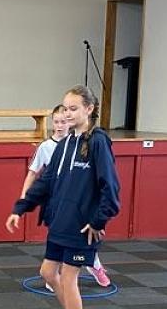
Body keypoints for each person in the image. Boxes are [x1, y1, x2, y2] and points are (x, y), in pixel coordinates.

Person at [6, 85, 120, 309]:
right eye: (65, 108)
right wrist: (21, 207)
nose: (68, 113)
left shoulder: (98, 142)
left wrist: (98, 221)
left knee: (69, 279)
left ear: (89, 109)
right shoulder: (65, 143)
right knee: (48, 273)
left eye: (73, 108)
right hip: (60, 224)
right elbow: (46, 182)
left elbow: (110, 187)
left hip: (82, 228)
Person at [20, 104, 111, 288]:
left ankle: (93, 265)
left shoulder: (84, 143)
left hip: (77, 204)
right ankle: (54, 274)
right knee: (59, 239)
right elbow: (33, 173)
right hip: (55, 203)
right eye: (56, 122)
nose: (60, 125)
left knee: (85, 236)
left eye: (63, 121)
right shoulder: (46, 147)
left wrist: (98, 214)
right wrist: (24, 198)